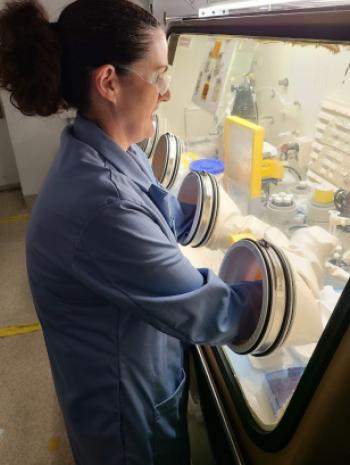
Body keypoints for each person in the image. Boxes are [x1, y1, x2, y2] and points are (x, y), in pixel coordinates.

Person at [0, 1, 262, 464]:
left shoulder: (108, 146)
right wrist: (283, 283)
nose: (165, 92)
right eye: (158, 75)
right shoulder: (99, 204)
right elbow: (209, 314)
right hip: (124, 424)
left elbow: (158, 215)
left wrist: (216, 221)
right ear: (109, 82)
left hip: (140, 378)